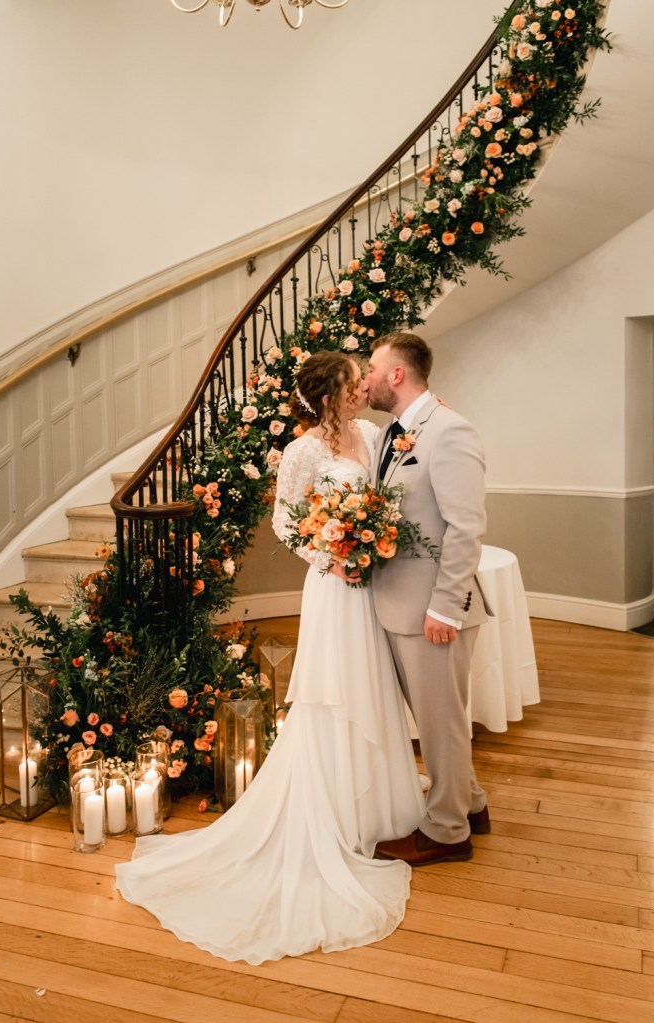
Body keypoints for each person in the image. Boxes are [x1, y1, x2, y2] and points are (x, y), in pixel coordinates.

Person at [115, 350, 425, 964]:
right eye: (352, 382)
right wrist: (332, 551)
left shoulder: (369, 434)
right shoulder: (303, 451)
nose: (363, 387)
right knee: (333, 691)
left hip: (371, 586)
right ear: (329, 394)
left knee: (374, 686)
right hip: (335, 587)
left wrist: (371, 534)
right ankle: (336, 815)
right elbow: (287, 523)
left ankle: (382, 810)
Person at [364, 331, 491, 866]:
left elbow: (466, 527)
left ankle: (446, 831)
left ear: (397, 374)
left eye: (372, 367)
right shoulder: (395, 432)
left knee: (441, 724)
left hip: (431, 611)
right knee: (440, 720)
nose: (365, 378)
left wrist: (445, 607)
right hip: (400, 603)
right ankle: (473, 804)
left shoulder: (449, 430)